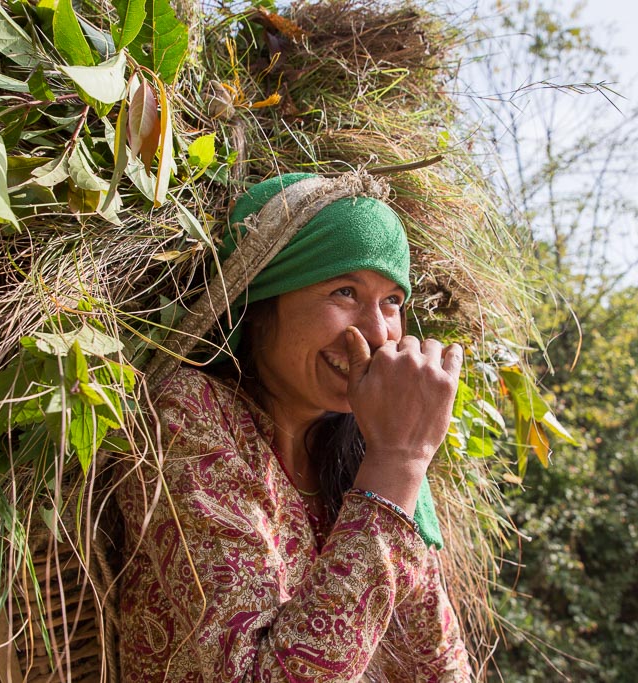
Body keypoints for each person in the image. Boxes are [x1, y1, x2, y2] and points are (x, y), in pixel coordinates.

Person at [115, 173, 473, 681]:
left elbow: (437, 660)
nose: (376, 333)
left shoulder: (363, 446)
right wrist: (399, 462)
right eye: (345, 291)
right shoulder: (188, 418)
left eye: (392, 301)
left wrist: (395, 460)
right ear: (264, 302)